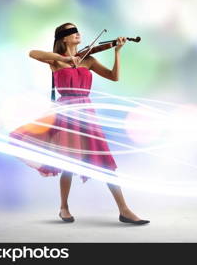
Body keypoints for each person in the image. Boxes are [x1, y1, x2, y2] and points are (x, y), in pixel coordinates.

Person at [9, 22, 149, 225]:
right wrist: (65, 58)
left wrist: (117, 52)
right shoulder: (56, 61)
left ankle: (124, 210)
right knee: (67, 163)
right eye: (71, 32)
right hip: (66, 112)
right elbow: (33, 53)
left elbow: (114, 76)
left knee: (105, 163)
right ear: (63, 38)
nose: (77, 33)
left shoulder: (88, 59)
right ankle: (63, 207)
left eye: (77, 31)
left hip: (87, 112)